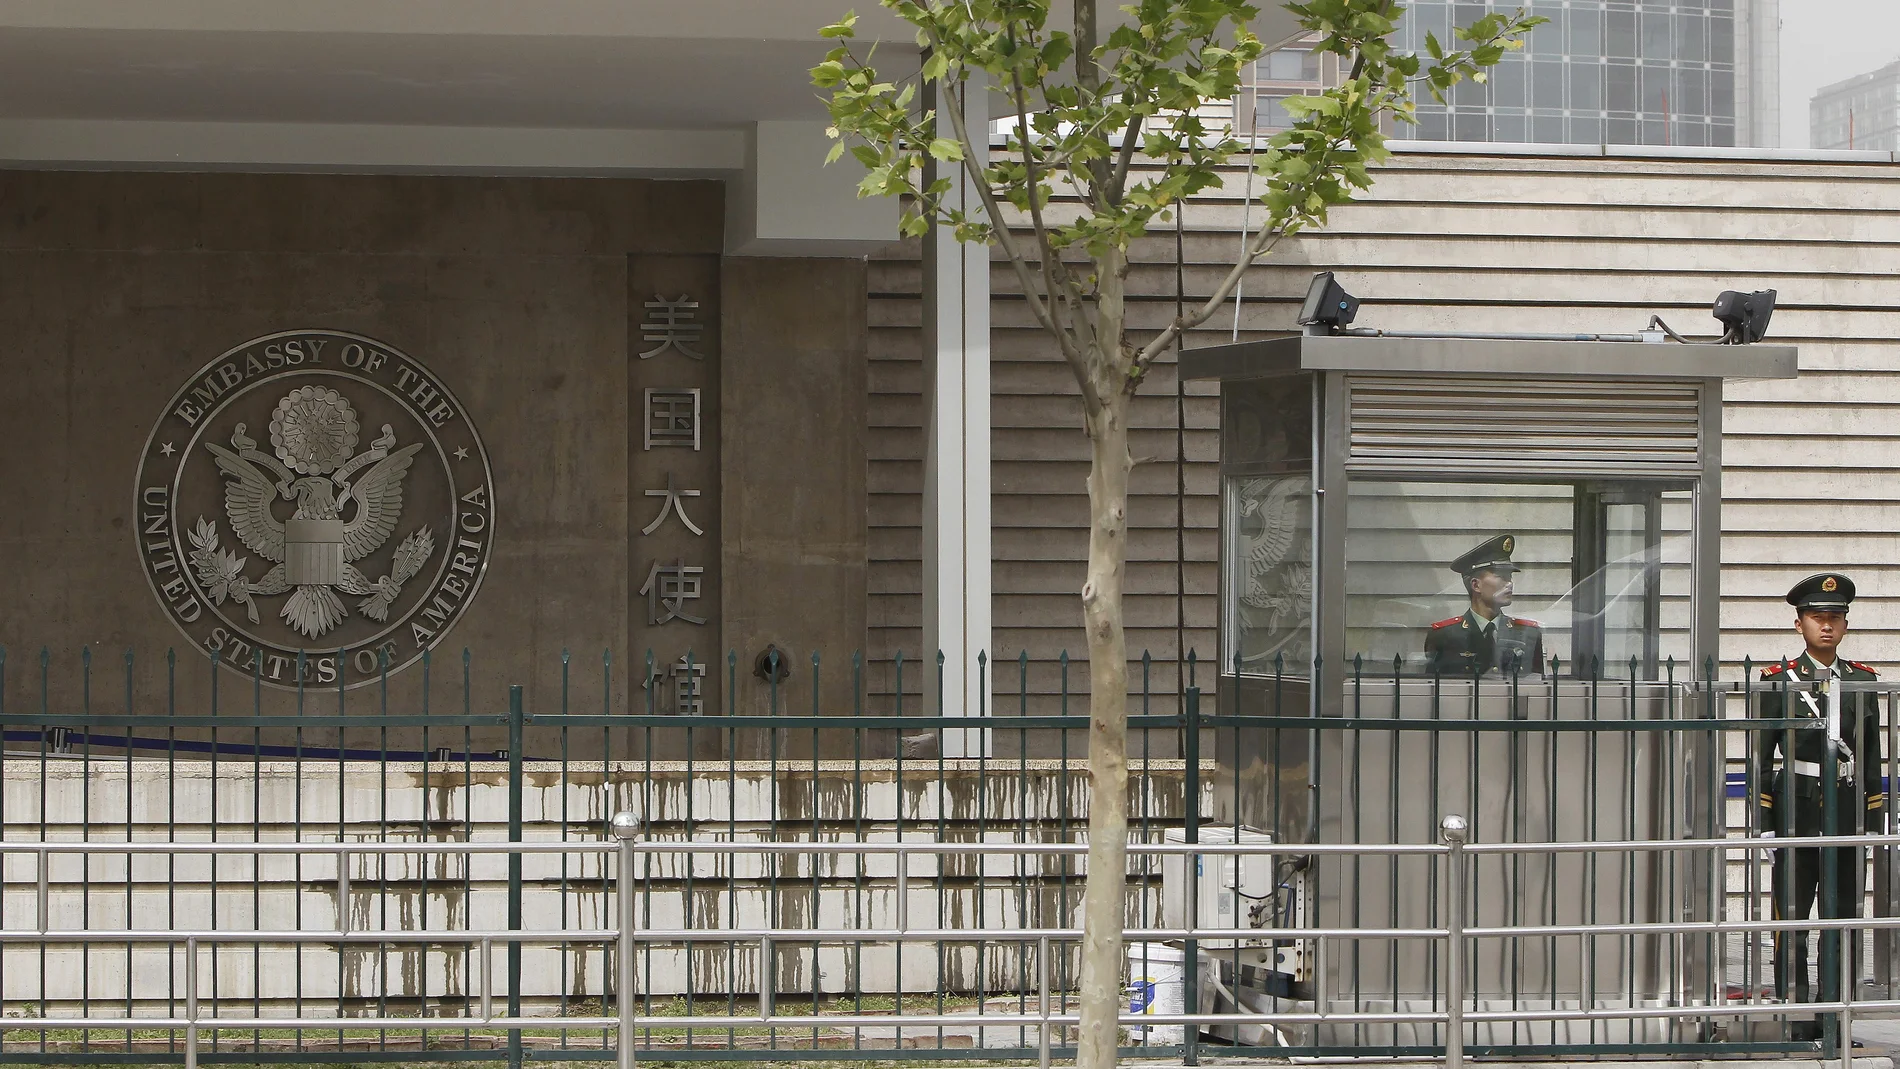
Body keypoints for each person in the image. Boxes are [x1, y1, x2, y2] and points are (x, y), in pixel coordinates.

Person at [1755, 572, 1884, 1040]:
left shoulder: (1862, 680)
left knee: (1843, 922)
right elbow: (1760, 757)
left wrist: (1872, 819)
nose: (1825, 626)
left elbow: (1870, 757)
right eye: (1816, 618)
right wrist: (1765, 823)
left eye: (1834, 618)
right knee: (1793, 922)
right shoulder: (1780, 680)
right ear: (1799, 625)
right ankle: (1796, 1018)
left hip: (1847, 813)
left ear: (1845, 626)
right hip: (1797, 813)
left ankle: (1836, 1015)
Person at [1424, 533, 1545, 676]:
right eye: (1501, 577)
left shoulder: (1528, 634)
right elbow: (1434, 690)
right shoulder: (1445, 636)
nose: (1510, 584)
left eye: (1510, 577)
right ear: (1476, 585)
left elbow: (1537, 688)